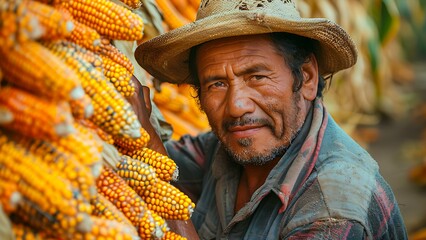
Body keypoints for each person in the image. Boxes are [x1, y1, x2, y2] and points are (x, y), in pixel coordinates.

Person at [134, 0, 408, 238]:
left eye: (257, 77)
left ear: (307, 77)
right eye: (216, 84)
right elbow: (147, 165)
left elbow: (154, 160)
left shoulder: (333, 205)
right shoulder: (224, 151)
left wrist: (151, 153)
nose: (237, 107)